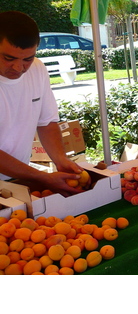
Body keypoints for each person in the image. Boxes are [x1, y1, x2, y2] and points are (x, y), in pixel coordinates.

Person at [0, 11, 84, 195]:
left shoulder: (37, 69)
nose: (18, 68)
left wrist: (61, 160)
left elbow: (46, 122)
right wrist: (41, 177)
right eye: (9, 58)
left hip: (16, 178)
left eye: (27, 59)